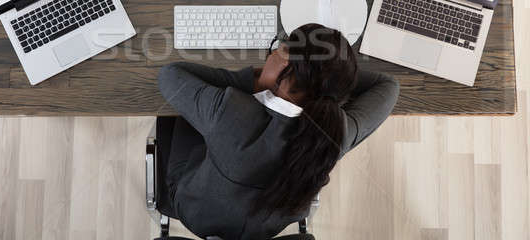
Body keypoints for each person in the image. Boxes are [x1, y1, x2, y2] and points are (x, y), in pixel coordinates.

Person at [157, 23, 399, 239]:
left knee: (171, 115)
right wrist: (329, 76)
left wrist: (253, 82)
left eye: (281, 48)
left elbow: (170, 75)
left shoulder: (231, 110)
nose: (274, 51)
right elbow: (387, 85)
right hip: (264, 230)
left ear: (287, 69)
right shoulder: (333, 134)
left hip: (195, 212)